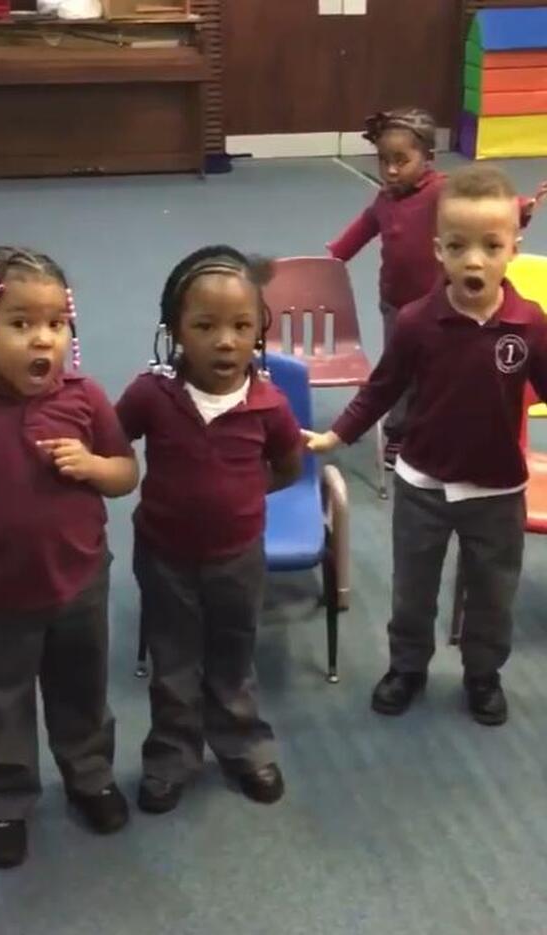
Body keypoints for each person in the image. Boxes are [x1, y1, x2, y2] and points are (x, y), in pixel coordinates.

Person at [305, 165, 547, 727]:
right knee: (413, 591)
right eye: (459, 246)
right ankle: (407, 667)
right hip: (423, 485)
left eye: (491, 246)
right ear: (439, 250)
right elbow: (382, 388)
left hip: (497, 487)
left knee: (492, 594)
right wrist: (337, 433)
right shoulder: (417, 321)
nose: (475, 260)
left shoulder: (530, 324)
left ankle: (483, 675)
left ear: (513, 247)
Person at [0, 247, 138, 869]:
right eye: (20, 324)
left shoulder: (84, 396)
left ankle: (89, 774)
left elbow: (126, 472)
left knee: (82, 693)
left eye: (56, 323)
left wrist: (96, 466)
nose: (43, 338)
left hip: (79, 582)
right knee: (3, 702)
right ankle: (5, 802)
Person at [116, 245, 302, 814]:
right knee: (173, 662)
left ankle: (243, 748)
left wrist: (240, 500)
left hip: (237, 557)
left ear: (259, 331)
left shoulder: (269, 405)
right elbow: (113, 442)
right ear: (174, 331)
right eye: (205, 325)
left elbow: (289, 467)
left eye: (241, 325)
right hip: (165, 554)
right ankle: (172, 756)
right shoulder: (151, 394)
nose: (225, 340)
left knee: (233, 656)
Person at [327, 107, 546, 467]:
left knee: (438, 370)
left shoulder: (440, 191)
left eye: (402, 160)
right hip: (395, 304)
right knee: (398, 371)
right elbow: (361, 230)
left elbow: (479, 207)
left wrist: (522, 207)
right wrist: (333, 257)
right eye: (384, 161)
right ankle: (399, 433)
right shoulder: (385, 199)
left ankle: (436, 426)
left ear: (427, 157)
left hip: (437, 304)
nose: (392, 170)